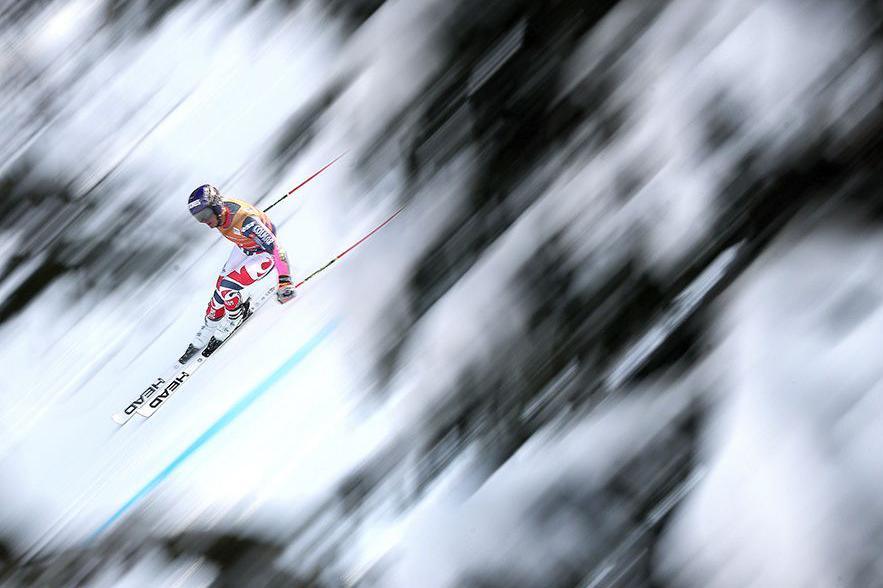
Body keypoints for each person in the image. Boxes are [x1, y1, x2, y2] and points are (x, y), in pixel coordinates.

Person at [179, 184, 296, 363]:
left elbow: (276, 248)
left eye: (205, 215)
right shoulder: (219, 214)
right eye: (199, 218)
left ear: (217, 207)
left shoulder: (246, 222)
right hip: (244, 247)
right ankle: (209, 327)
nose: (205, 222)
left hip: (263, 255)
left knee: (227, 288)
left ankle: (235, 316)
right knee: (218, 291)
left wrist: (285, 281)